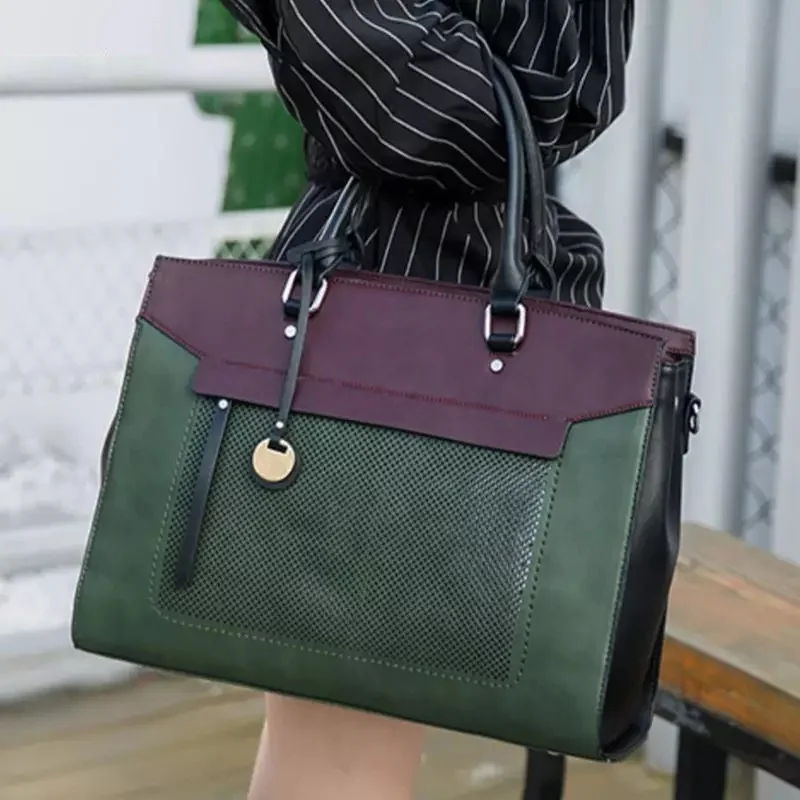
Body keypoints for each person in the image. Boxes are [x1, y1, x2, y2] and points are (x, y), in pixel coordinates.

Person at [218, 0, 634, 797]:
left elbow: (511, 101)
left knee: (335, 752)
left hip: (406, 295)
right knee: (323, 740)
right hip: (385, 293)